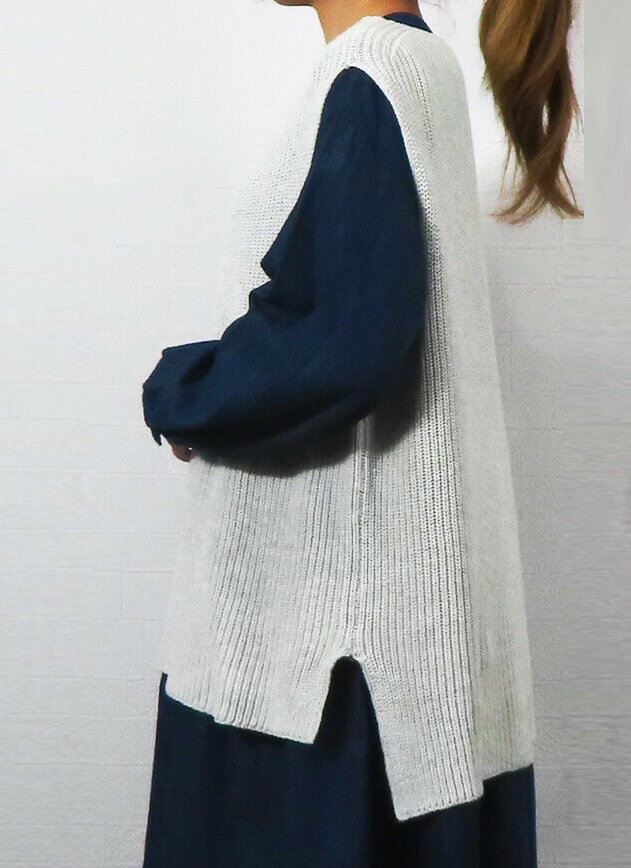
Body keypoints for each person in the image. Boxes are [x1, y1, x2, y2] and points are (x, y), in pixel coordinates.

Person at [140, 1, 582, 865]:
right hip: (363, 649)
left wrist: (184, 393)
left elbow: (341, 339)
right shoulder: (402, 68)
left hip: (321, 671)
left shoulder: (370, 74)